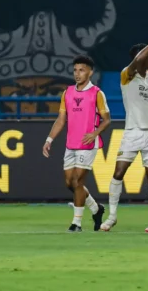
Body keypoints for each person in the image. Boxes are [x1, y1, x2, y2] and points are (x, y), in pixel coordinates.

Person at [102, 31, 148, 233]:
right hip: (133, 132)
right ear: (140, 57)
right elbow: (139, 60)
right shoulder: (127, 75)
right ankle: (112, 216)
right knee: (118, 173)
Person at [43, 56, 110, 232]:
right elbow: (61, 119)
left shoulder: (97, 93)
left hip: (87, 144)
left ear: (90, 72)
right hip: (71, 144)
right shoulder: (67, 92)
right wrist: (49, 140)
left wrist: (95, 133)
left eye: (81, 70)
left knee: (78, 181)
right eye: (75, 70)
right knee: (70, 183)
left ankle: (77, 223)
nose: (77, 74)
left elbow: (107, 119)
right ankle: (96, 208)